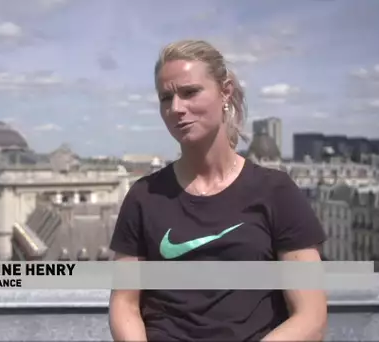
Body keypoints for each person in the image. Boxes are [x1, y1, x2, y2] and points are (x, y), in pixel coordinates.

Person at [108, 39, 328, 342]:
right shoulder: (143, 197)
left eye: (189, 92)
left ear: (225, 92)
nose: (176, 109)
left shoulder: (276, 192)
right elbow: (124, 304)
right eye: (165, 98)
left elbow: (311, 315)